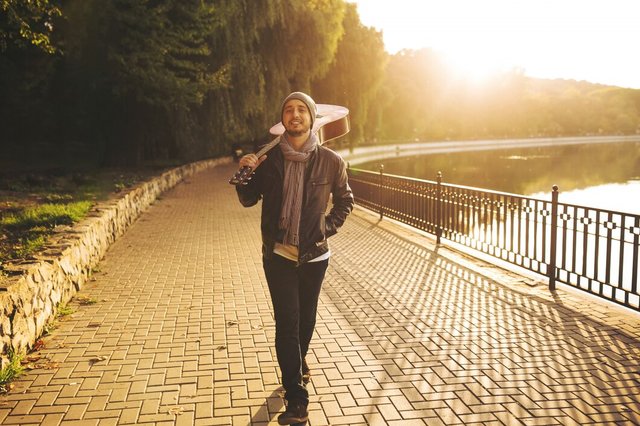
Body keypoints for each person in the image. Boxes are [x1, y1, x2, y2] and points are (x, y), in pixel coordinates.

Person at [235, 91, 353, 425]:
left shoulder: (331, 161)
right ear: (283, 119)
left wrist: (324, 229)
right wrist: (244, 173)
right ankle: (296, 399)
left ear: (312, 118)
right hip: (278, 255)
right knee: (287, 321)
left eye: (302, 109)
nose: (295, 114)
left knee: (306, 319)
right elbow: (247, 199)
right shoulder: (268, 159)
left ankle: (299, 360)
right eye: (289, 109)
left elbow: (345, 201)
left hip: (315, 257)